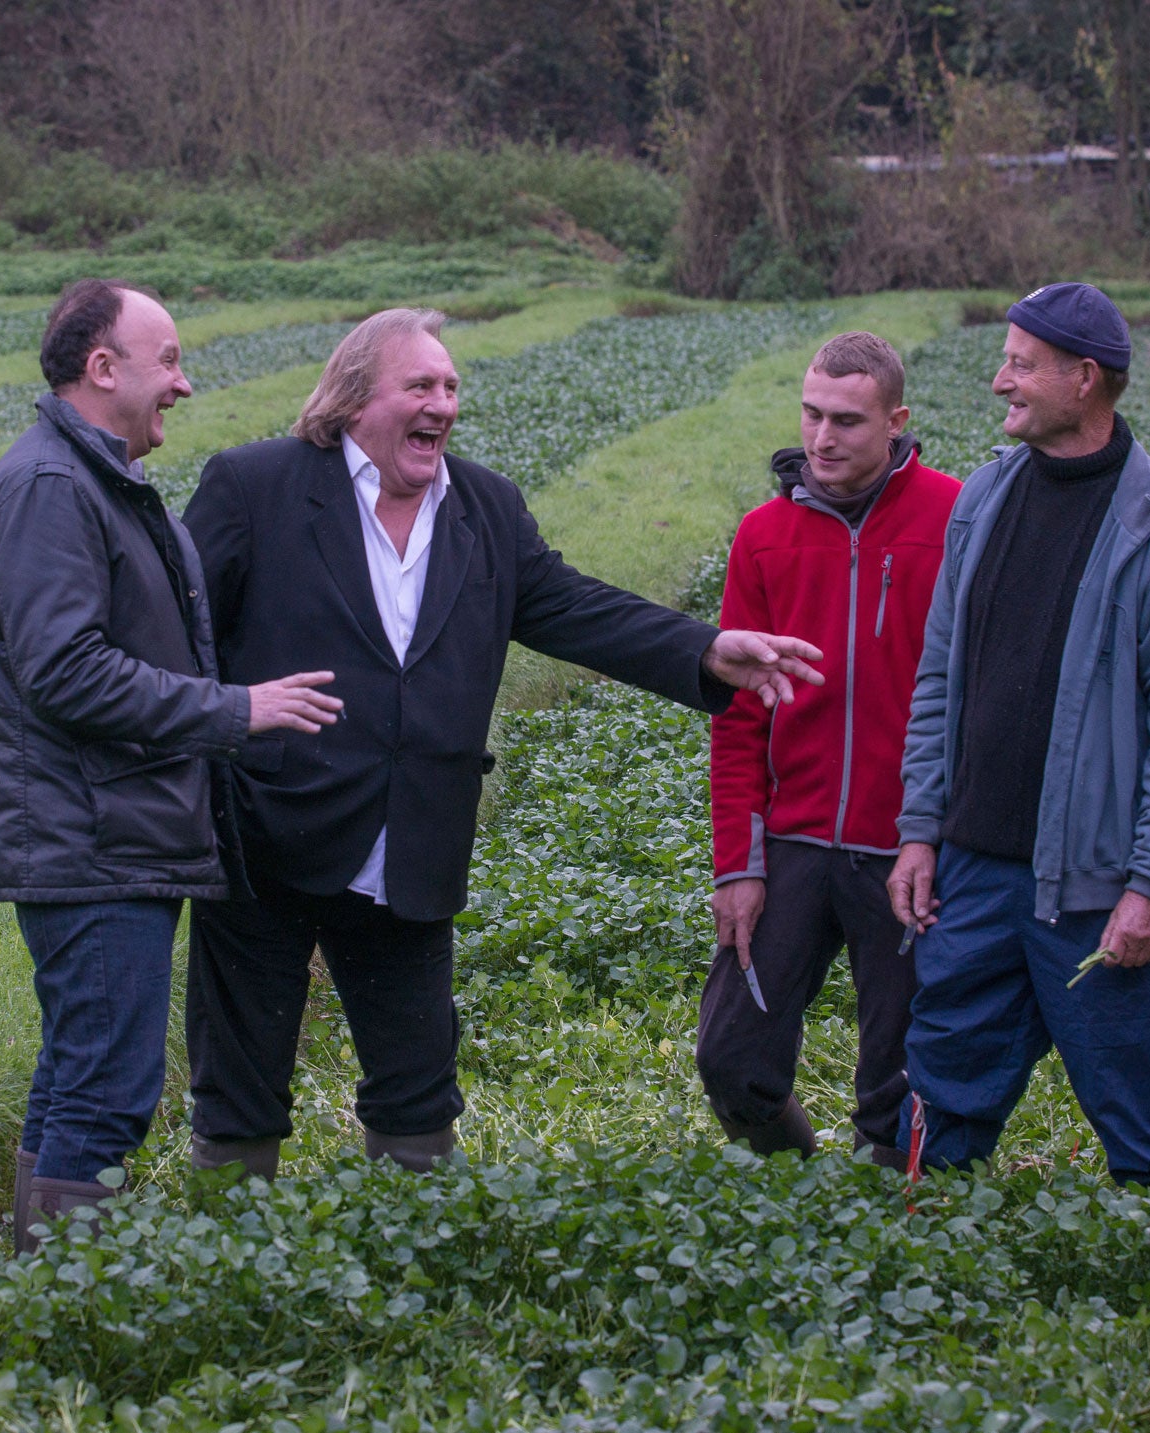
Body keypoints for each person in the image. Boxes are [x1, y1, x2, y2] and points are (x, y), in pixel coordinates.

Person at [180, 307, 823, 1178]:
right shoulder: (255, 486)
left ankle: (410, 1259)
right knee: (240, 1085)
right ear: (355, 396)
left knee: (415, 1088)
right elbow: (177, 632)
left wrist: (705, 648)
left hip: (411, 847)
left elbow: (571, 608)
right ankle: (227, 1260)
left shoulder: (483, 505)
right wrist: (215, 728)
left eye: (450, 386)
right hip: (266, 841)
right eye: (421, 385)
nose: (442, 403)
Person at [0, 278, 344, 1252]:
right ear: (104, 368)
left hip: (106, 832)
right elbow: (65, 672)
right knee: (106, 1089)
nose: (182, 382)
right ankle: (71, 1308)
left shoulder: (95, 479)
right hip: (90, 840)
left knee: (76, 1071)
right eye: (167, 359)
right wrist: (235, 710)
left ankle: (34, 1280)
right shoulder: (53, 487)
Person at [887, 282, 1150, 1186]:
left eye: (1021, 364)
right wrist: (921, 829)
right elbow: (938, 679)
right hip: (974, 869)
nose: (1001, 380)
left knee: (1145, 1111)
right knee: (942, 1089)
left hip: (1094, 882)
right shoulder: (985, 499)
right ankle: (923, 1269)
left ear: (1085, 378)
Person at [696, 332, 960, 1159]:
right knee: (731, 1057)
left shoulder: (956, 518)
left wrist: (943, 833)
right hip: (792, 843)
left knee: (904, 1076)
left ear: (896, 421)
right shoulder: (763, 536)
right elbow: (737, 717)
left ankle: (885, 1233)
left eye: (846, 419)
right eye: (811, 413)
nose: (821, 438)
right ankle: (800, 1190)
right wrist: (737, 862)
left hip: (906, 848)